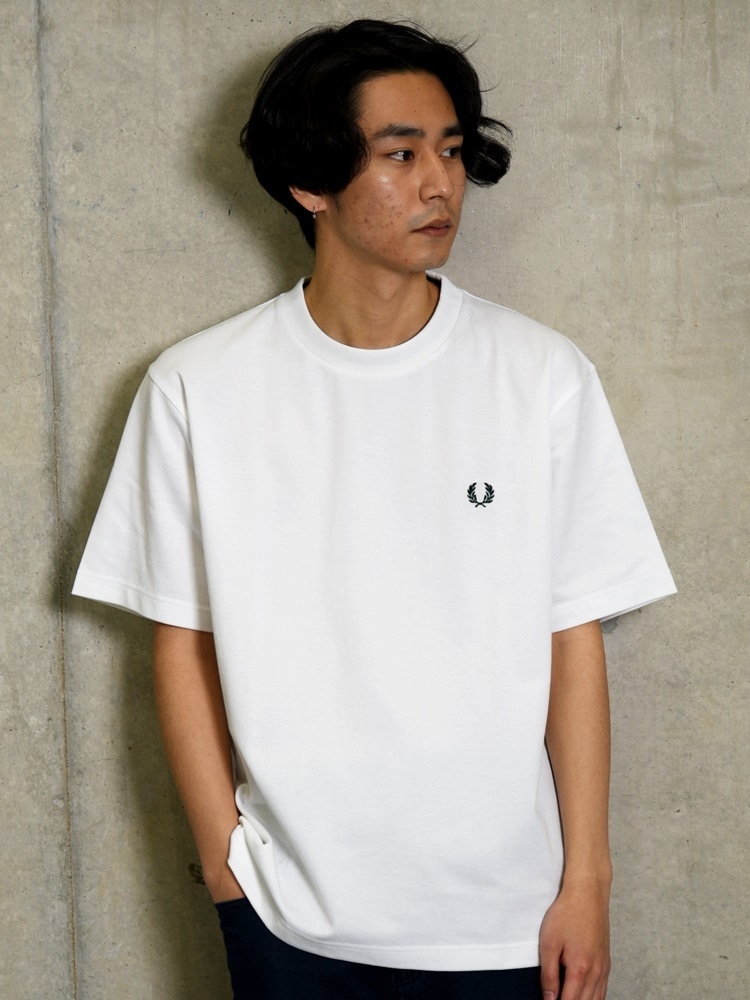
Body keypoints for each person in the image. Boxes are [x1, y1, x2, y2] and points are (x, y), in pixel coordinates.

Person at [72, 19, 676, 1000]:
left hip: (508, 919)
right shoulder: (197, 388)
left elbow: (574, 634)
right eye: (402, 154)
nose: (442, 184)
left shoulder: (541, 376)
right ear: (308, 183)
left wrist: (588, 881)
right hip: (289, 917)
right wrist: (229, 875)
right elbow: (180, 643)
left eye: (452, 150)